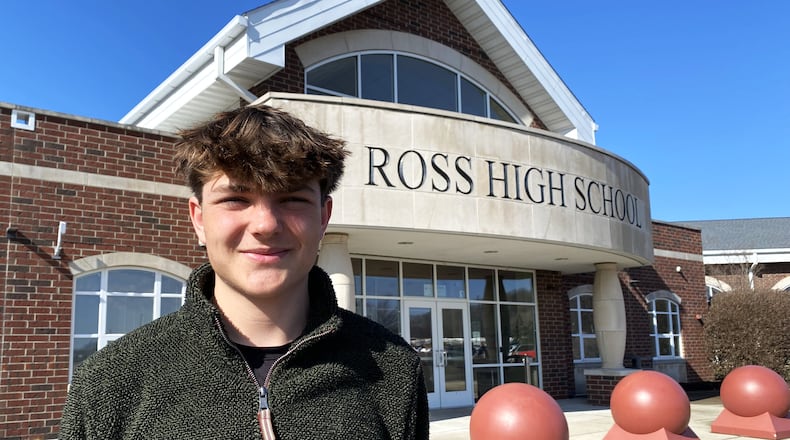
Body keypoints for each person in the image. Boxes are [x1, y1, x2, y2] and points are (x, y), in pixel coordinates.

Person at [60, 105, 430, 439]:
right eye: (236, 199)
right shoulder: (109, 382)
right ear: (199, 219)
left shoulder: (395, 370)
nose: (266, 224)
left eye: (292, 198)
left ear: (323, 217)